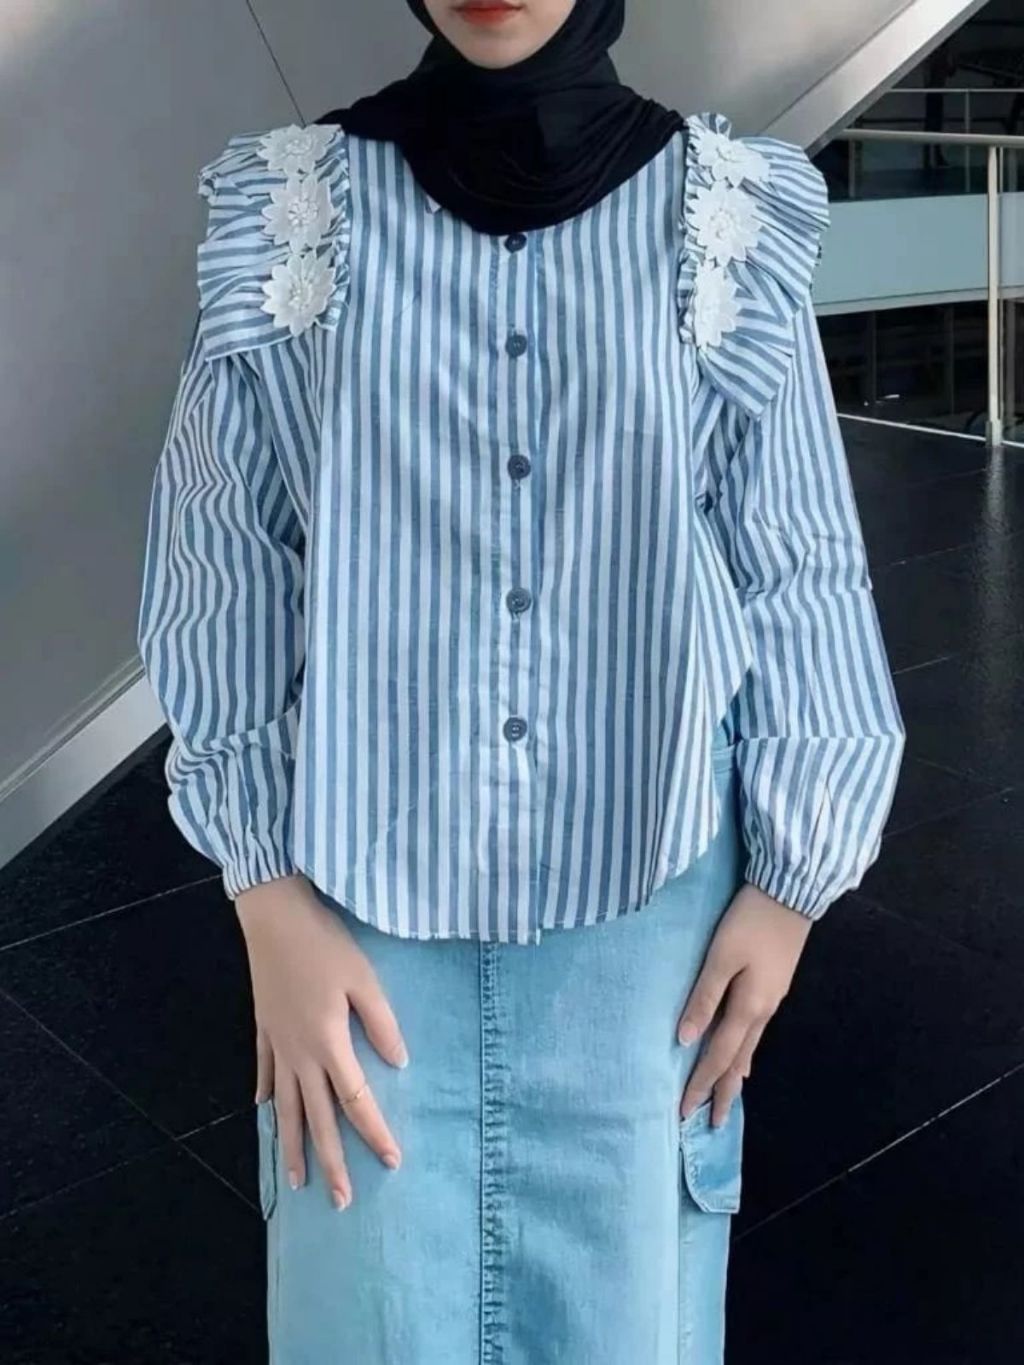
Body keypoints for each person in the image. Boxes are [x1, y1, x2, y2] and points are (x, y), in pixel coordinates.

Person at [136, 1, 905, 1360]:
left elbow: (796, 562)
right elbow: (223, 555)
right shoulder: (292, 213)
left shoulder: (723, 217)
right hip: (355, 916)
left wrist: (793, 887)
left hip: (649, 921)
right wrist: (266, 898)